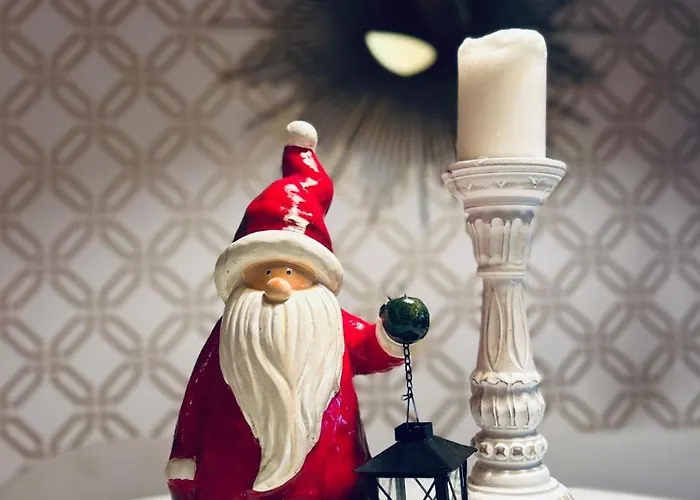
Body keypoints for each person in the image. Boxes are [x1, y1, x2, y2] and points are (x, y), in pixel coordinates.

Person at [165, 121, 428, 499]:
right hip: (231, 481)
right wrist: (185, 456)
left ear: (314, 275)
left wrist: (393, 329)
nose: (277, 285)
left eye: (289, 272)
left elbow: (370, 347)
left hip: (333, 482)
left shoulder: (329, 325)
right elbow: (197, 396)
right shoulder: (230, 335)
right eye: (265, 273)